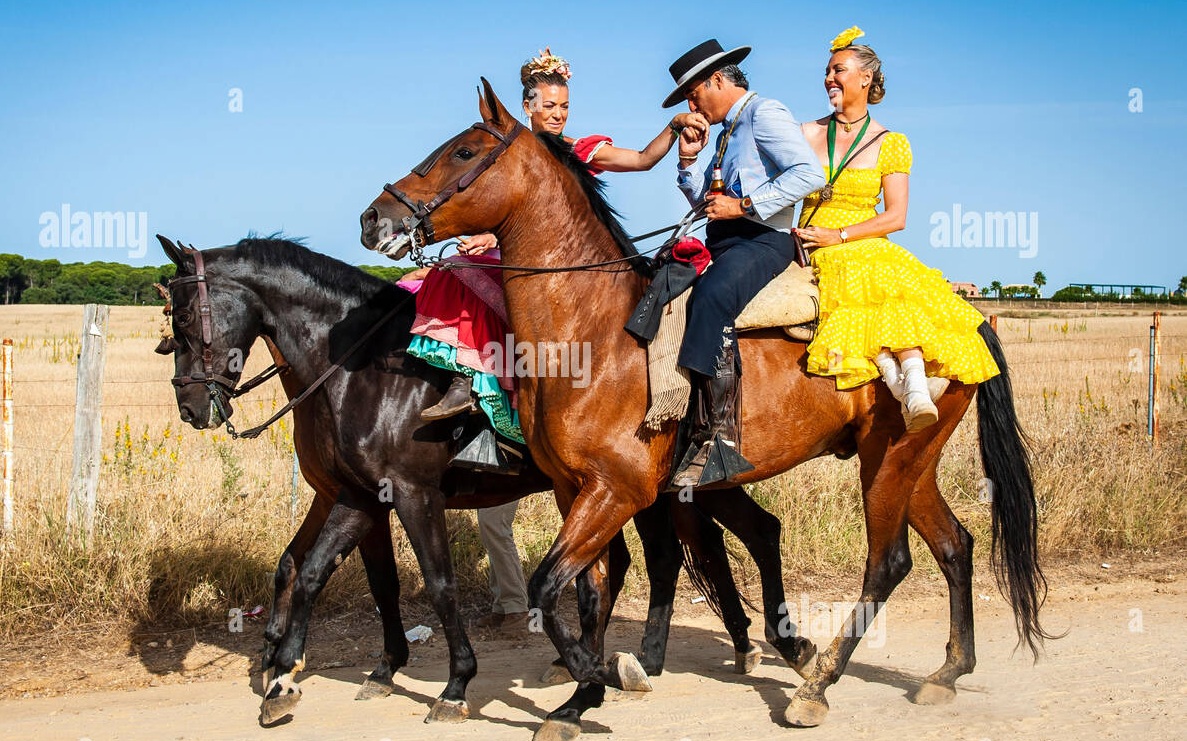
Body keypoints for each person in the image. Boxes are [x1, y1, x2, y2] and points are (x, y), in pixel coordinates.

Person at [411, 47, 707, 431]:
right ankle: (470, 384)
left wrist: (674, 125)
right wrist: (487, 235)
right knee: (451, 269)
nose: (558, 114)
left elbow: (642, 159)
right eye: (549, 106)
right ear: (526, 106)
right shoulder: (506, 158)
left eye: (564, 106)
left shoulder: (579, 149)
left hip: (572, 267)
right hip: (520, 256)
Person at [792, 27, 999, 430]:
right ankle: (907, 385)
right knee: (857, 291)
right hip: (812, 239)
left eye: (839, 71)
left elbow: (896, 217)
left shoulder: (892, 142)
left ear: (865, 79)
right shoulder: (805, 133)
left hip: (861, 241)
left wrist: (843, 235)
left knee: (886, 287)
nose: (829, 79)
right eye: (827, 72)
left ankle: (913, 386)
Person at [663, 39, 827, 488]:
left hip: (762, 240)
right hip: (725, 238)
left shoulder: (764, 113)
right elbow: (708, 203)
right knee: (659, 283)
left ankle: (718, 437)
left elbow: (811, 174)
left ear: (718, 80)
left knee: (714, 296)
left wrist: (745, 206)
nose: (693, 107)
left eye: (695, 95)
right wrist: (688, 161)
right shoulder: (724, 134)